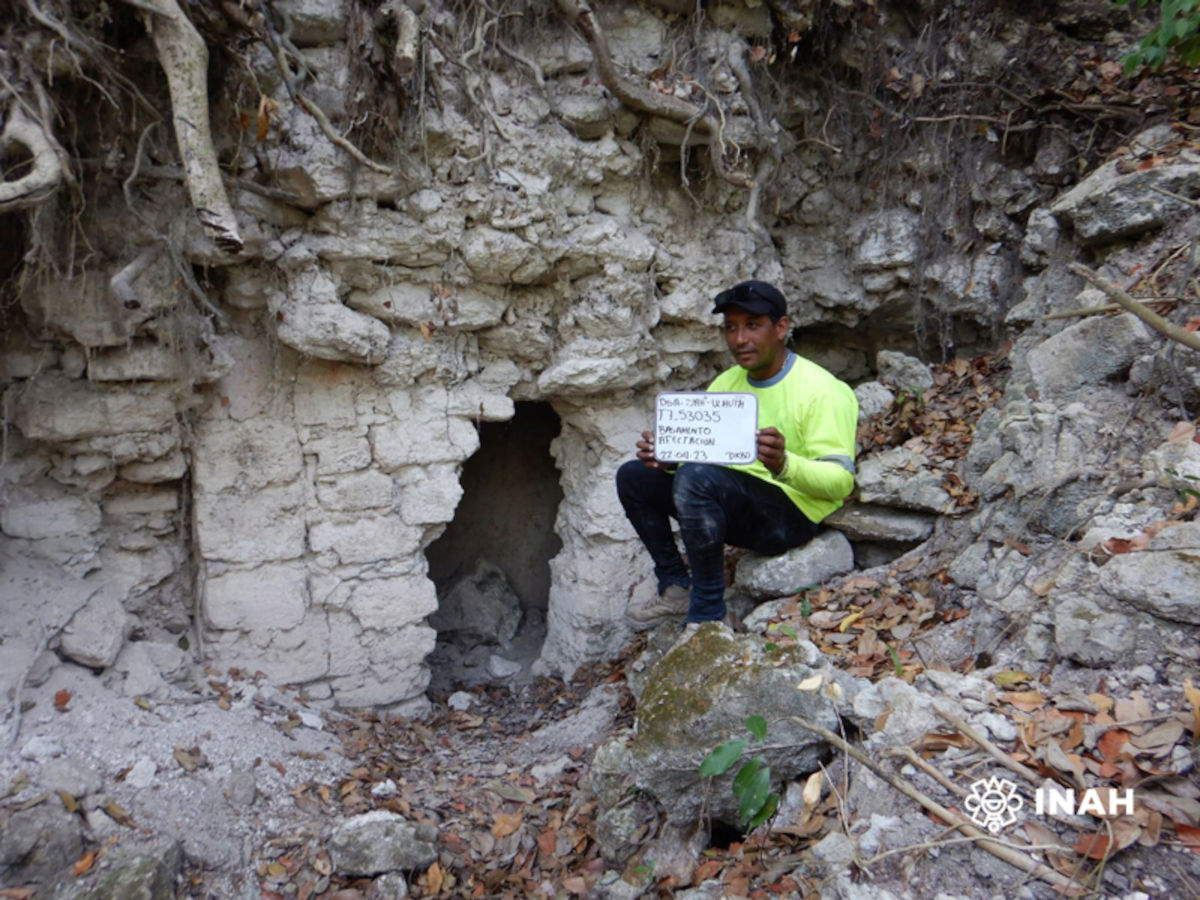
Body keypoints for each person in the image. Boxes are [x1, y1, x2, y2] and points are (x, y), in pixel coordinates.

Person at [615, 280, 858, 629]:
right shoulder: (727, 384)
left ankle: (708, 612)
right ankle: (676, 588)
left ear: (781, 328)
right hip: (736, 504)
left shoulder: (823, 390)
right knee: (634, 476)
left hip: (791, 517)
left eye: (753, 325)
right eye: (731, 327)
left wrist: (785, 464)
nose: (739, 339)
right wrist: (670, 462)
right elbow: (709, 463)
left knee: (697, 477)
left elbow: (840, 484)